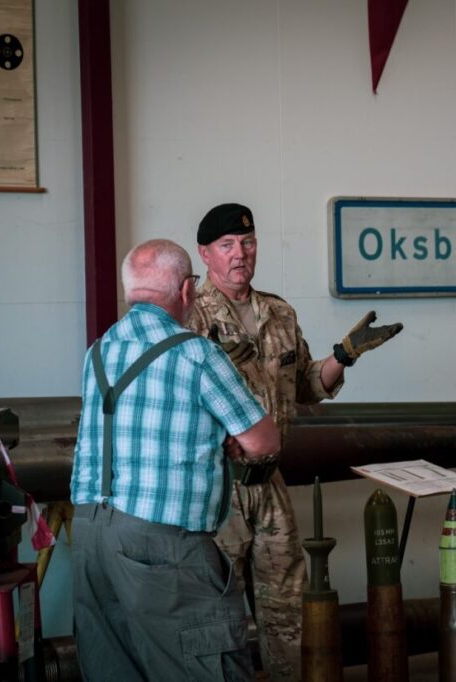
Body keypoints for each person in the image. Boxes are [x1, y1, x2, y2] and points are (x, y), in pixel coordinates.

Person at [186, 202, 403, 680]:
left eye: (247, 242)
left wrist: (344, 356)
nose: (240, 254)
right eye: (227, 246)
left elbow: (305, 387)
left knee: (288, 615)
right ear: (205, 255)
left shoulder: (278, 312)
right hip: (217, 491)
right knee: (215, 615)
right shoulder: (190, 319)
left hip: (271, 486)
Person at [70, 239, 281, 680]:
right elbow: (263, 440)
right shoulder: (195, 353)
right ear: (187, 291)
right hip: (161, 545)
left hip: (91, 539)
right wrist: (229, 439)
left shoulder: (98, 352)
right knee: (202, 663)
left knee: (114, 670)